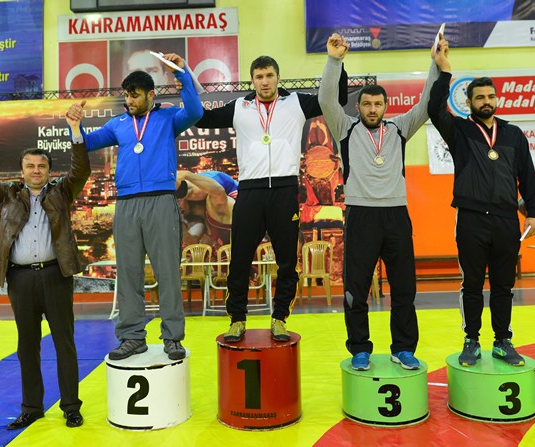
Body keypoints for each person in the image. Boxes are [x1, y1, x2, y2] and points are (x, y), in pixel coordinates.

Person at [196, 54, 348, 343]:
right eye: (259, 77)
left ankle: (279, 318)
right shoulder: (239, 107)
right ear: (252, 81)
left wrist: (336, 62)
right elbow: (203, 118)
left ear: (278, 77)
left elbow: (336, 98)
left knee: (287, 262)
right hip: (250, 192)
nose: (264, 82)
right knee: (240, 260)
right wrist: (185, 80)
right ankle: (237, 319)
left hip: (284, 190)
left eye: (269, 76)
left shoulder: (297, 103)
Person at [66, 53, 203, 361]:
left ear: (151, 95)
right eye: (126, 95)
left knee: (167, 272)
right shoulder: (118, 125)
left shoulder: (168, 118)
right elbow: (87, 143)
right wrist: (75, 126)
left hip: (161, 201)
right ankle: (131, 337)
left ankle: (172, 337)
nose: (129, 101)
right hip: (127, 204)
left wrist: (181, 74)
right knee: (128, 273)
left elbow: (195, 111)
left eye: (135, 95)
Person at [319, 33, 442, 371]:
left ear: (385, 107)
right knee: (356, 289)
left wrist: (435, 64)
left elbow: (426, 104)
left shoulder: (400, 128)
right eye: (367, 104)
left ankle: (403, 348)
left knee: (404, 288)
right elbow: (326, 99)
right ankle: (360, 348)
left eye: (377, 104)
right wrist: (333, 60)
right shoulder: (344, 129)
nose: (372, 109)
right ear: (358, 107)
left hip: (396, 216)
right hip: (361, 215)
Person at [0, 113, 90, 429]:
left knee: (64, 344)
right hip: (20, 279)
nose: (36, 170)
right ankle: (32, 407)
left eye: (41, 166)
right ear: (21, 171)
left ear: (49, 171)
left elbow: (81, 171)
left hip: (56, 276)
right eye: (30, 166)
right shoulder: (6, 194)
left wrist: (76, 131)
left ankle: (71, 407)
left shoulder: (62, 192)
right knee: (27, 347)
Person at [428, 35, 535, 367]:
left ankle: (503, 340)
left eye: (491, 96)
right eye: (480, 97)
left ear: (496, 99)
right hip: (472, 218)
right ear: (469, 102)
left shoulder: (513, 134)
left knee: (504, 284)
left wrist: (533, 213)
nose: (486, 101)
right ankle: (471, 340)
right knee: (473, 284)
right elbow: (435, 109)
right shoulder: (459, 131)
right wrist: (444, 70)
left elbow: (527, 175)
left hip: (507, 219)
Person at [177, 170, 236, 247]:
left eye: (178, 201)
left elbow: (219, 191)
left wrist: (187, 175)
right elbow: (189, 242)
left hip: (225, 186)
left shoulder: (215, 205)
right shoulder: (200, 220)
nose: (177, 207)